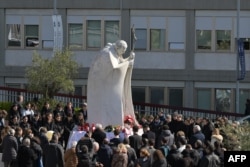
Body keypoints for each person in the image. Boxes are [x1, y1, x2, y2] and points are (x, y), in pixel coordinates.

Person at [87, 40, 137, 127]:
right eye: (123, 49)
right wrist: (128, 63)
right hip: (102, 85)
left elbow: (119, 63)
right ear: (118, 47)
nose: (124, 52)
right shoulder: (107, 53)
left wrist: (129, 58)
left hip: (107, 84)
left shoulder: (114, 51)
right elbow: (114, 68)